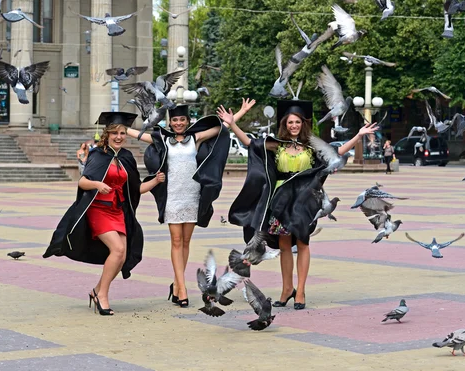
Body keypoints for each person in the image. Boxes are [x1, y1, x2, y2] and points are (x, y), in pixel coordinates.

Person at [218, 100, 378, 310]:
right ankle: (287, 289)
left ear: (303, 124)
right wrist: (232, 123)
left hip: (303, 201)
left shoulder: (311, 146)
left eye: (297, 122)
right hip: (281, 200)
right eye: (290, 122)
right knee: (284, 245)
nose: (294, 125)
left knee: (302, 243)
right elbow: (250, 143)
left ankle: (300, 291)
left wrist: (358, 136)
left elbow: (336, 153)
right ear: (285, 124)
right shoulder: (277, 144)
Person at [126, 98, 256, 307]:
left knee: (185, 242)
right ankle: (182, 287)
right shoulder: (163, 139)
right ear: (170, 122)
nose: (178, 123)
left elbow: (222, 128)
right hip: (173, 196)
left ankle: (177, 286)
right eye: (175, 120)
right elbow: (137, 134)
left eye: (182, 120)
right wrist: (118, 127)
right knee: (176, 241)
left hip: (192, 195)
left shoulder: (195, 138)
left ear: (187, 121)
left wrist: (239, 114)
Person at [43, 112, 165, 316]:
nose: (119, 137)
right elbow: (83, 182)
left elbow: (135, 190)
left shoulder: (126, 157)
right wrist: (97, 184)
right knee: (117, 249)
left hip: (117, 211)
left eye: (122, 133)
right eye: (115, 133)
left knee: (121, 255)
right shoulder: (98, 155)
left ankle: (97, 290)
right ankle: (103, 296)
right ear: (106, 134)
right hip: (98, 210)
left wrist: (156, 181)